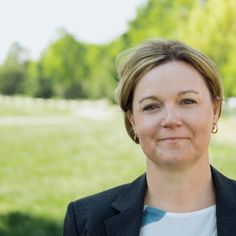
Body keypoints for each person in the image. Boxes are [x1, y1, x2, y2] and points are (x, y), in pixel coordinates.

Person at [63, 39, 236, 236]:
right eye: (151, 106)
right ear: (133, 121)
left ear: (215, 111)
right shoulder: (87, 221)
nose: (171, 120)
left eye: (187, 101)